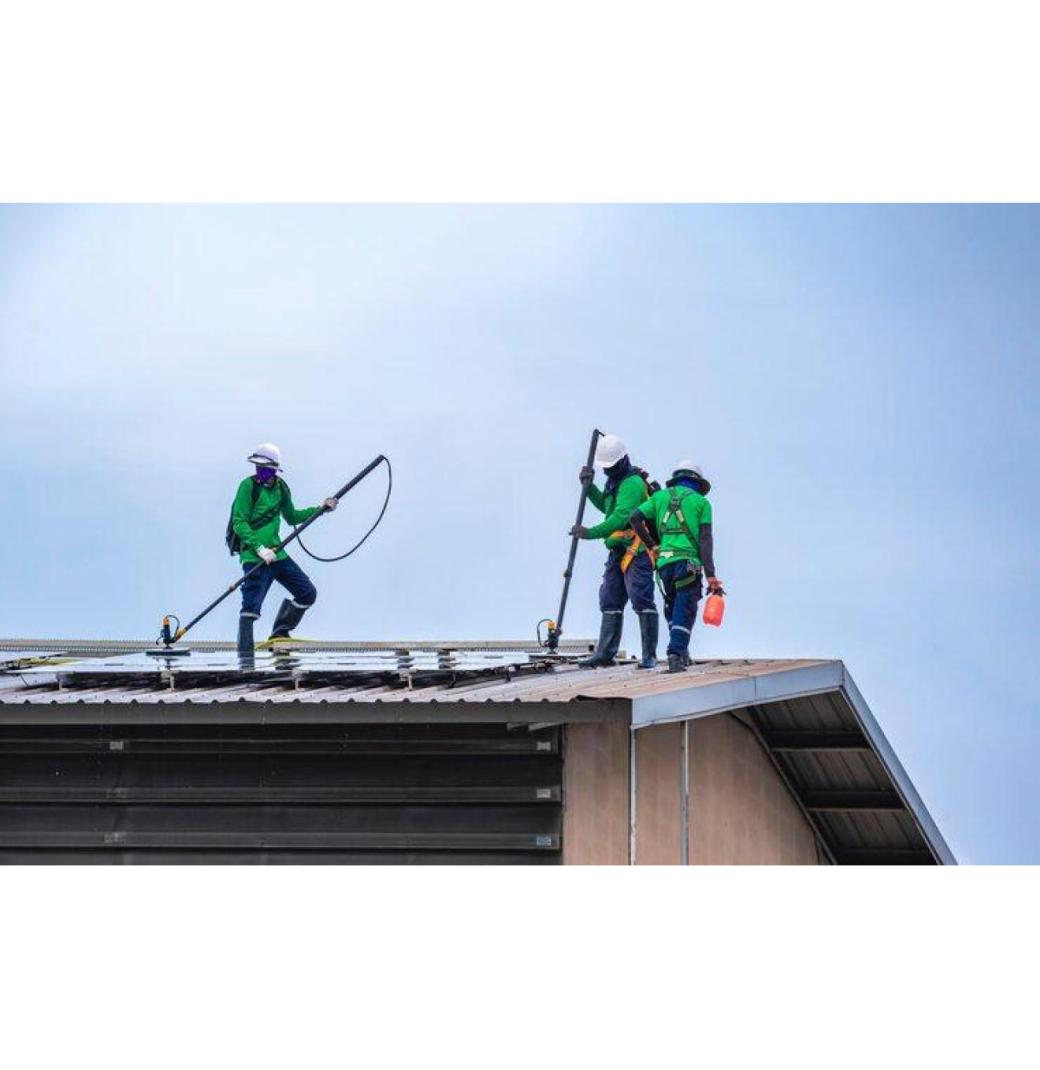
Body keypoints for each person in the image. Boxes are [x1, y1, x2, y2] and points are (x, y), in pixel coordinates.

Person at [230, 443, 338, 654]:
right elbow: (239, 522)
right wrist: (259, 549)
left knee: (307, 593)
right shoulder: (247, 487)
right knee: (250, 609)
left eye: (265, 469)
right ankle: (245, 663)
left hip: (278, 554)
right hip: (255, 557)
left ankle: (280, 632)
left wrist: (321, 509)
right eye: (258, 468)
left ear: (273, 469)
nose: (260, 472)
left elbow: (292, 516)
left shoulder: (281, 488)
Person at [570, 433, 659, 669]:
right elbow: (607, 508)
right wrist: (589, 488)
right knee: (610, 598)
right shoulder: (614, 481)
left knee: (641, 597)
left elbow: (621, 518)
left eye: (610, 467)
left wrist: (590, 533)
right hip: (617, 550)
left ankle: (649, 655)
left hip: (637, 550)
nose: (607, 471)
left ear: (622, 460)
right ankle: (605, 653)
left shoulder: (631, 483)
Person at [629, 461, 723, 673]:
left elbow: (634, 518)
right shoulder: (702, 503)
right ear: (697, 482)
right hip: (688, 563)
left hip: (664, 563)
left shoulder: (659, 498)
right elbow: (706, 539)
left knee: (673, 608)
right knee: (685, 608)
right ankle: (675, 653)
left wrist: (652, 545)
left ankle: (682, 653)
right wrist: (711, 575)